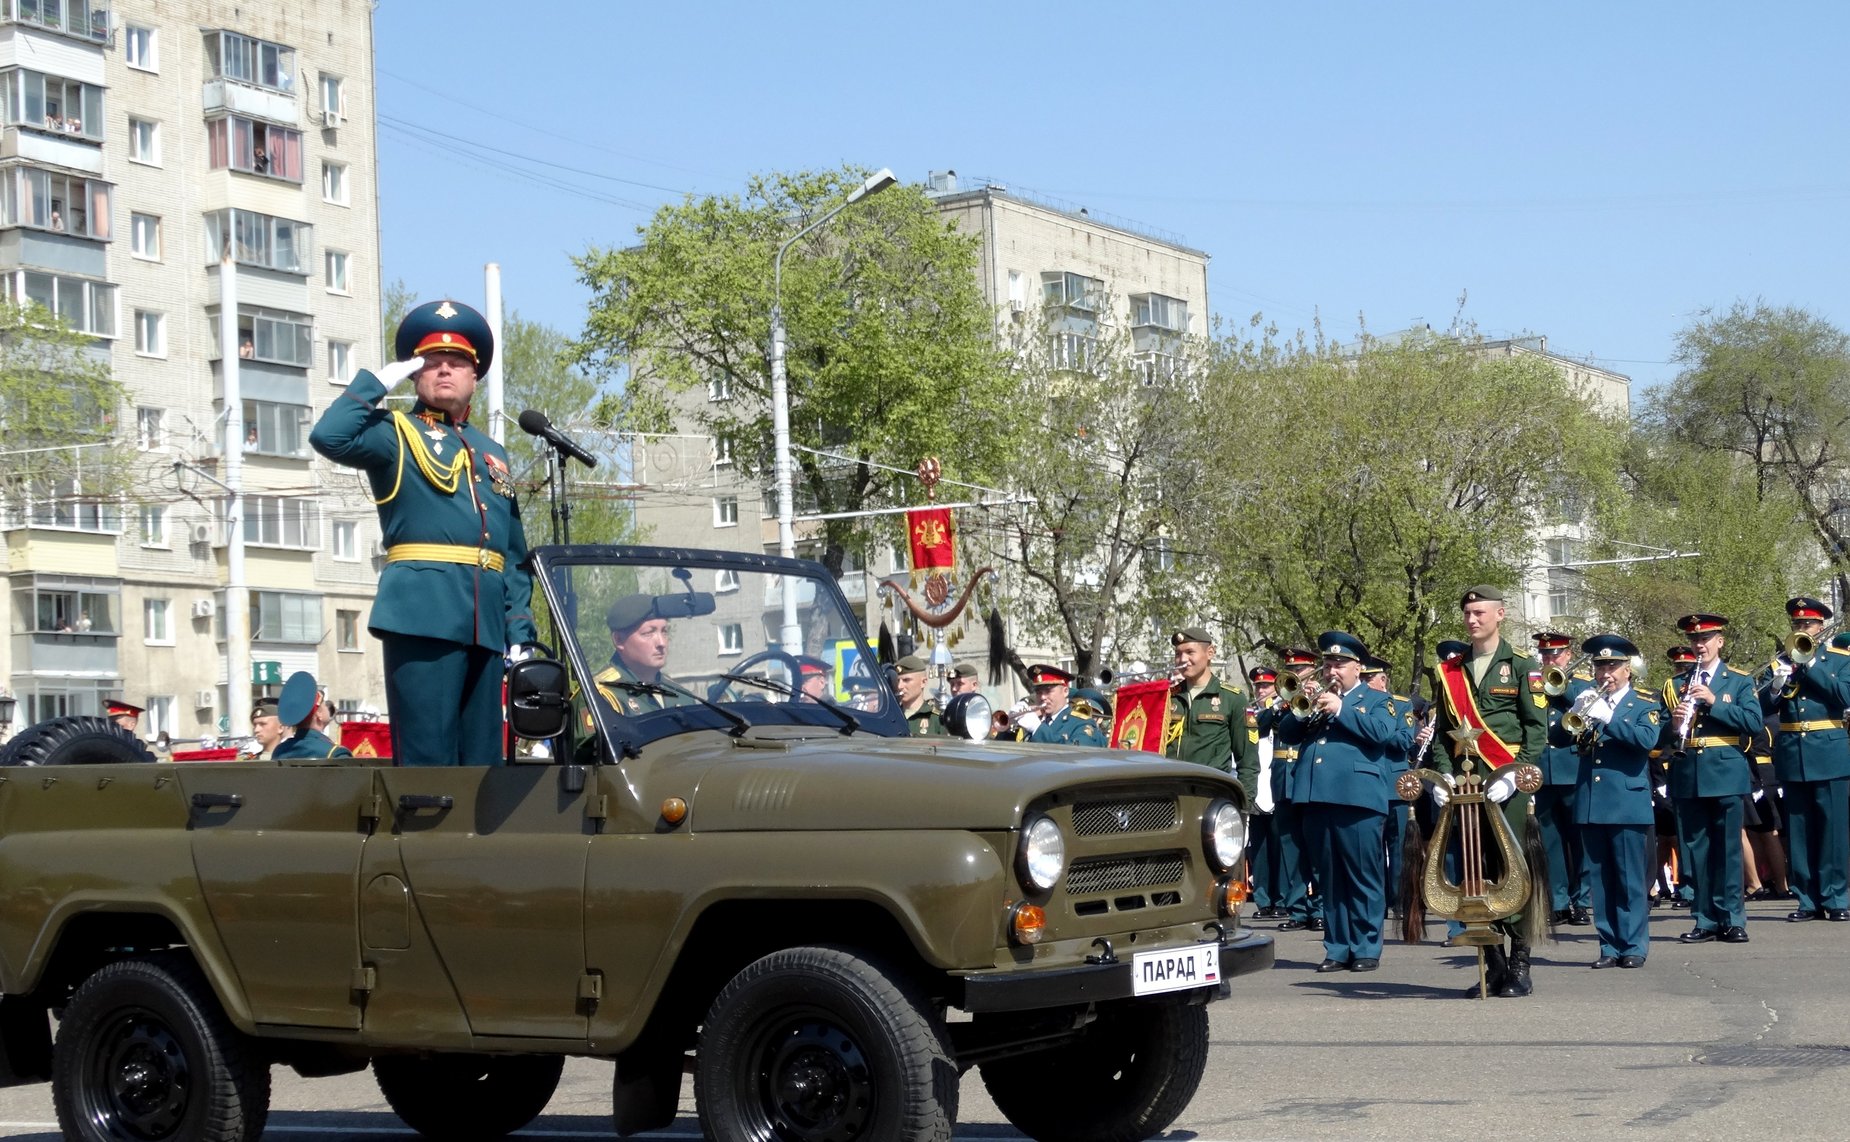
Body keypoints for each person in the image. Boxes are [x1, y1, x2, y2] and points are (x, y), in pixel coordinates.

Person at [310, 299, 536, 766]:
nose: (445, 371)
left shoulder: (491, 451)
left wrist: (520, 628)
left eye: (457, 363)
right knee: (427, 763)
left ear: (476, 377)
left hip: (487, 623)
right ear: (415, 375)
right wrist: (378, 381)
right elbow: (329, 436)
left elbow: (511, 552)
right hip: (424, 613)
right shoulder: (394, 432)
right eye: (431, 364)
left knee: (483, 764)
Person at [1430, 584, 1548, 997]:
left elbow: (1536, 729)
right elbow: (1444, 736)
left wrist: (1518, 774)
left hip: (1505, 780)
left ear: (1501, 615)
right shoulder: (1450, 671)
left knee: (1512, 866)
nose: (1472, 619)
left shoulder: (1521, 665)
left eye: (1480, 612)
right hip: (1465, 783)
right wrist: (1443, 776)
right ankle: (1492, 965)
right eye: (1467, 613)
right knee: (1472, 871)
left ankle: (1520, 962)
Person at [1277, 631, 1399, 972]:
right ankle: (1337, 947)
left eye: (1340, 664)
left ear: (1357, 668)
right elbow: (1287, 733)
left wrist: (1342, 709)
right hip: (1317, 798)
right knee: (1328, 878)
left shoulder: (1376, 699)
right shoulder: (1319, 701)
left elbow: (1382, 734)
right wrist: (1303, 708)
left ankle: (1365, 948)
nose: (1332, 670)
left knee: (1362, 876)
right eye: (1328, 663)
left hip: (1357, 799)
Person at [1665, 613, 1759, 945]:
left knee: (1728, 850)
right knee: (1696, 853)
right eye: (1694, 640)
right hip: (1689, 773)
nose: (1699, 645)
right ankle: (1704, 918)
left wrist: (1714, 702)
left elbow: (1753, 722)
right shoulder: (1676, 684)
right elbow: (1661, 733)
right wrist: (1673, 726)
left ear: (1720, 641)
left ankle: (1733, 919)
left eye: (1705, 639)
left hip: (1726, 773)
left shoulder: (1738, 680)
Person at [1570, 634, 1661, 968]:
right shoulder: (1590, 700)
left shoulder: (1644, 704)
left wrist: (1608, 717)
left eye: (1612, 665)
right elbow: (1559, 737)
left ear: (1627, 670)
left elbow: (1646, 740)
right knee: (1601, 882)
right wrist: (1576, 711)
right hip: (1593, 804)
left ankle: (1634, 945)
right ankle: (1609, 946)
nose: (1605, 671)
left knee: (1629, 879)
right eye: (1600, 665)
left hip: (1626, 804)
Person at [1760, 596, 1850, 923]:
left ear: (1820, 627)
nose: (1802, 628)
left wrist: (1810, 666)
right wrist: (1776, 685)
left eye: (1807, 624)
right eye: (1797, 624)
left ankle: (1836, 896)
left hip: (1829, 751)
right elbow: (1760, 709)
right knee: (1798, 831)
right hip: (1793, 754)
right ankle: (1807, 899)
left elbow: (1844, 697)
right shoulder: (1780, 661)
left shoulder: (1839, 660)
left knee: (1833, 829)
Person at [1259, 647, 1322, 932]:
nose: (1296, 675)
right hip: (1283, 779)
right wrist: (1277, 704)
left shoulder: (1320, 697)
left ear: (1311, 670)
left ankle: (1320, 907)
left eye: (1300, 671)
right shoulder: (1283, 705)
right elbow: (1259, 726)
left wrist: (1315, 697)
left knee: (1317, 847)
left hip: (1309, 778)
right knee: (1291, 848)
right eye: (1291, 672)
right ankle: (1297, 910)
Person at [1534, 630, 1594, 926]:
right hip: (1543, 771)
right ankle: (1558, 901)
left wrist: (1560, 686)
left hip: (1572, 768)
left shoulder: (1581, 683)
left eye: (1555, 654)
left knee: (1579, 838)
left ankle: (1581, 900)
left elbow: (1586, 709)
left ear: (1568, 655)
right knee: (1550, 842)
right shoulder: (1533, 683)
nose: (1549, 659)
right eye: (1545, 654)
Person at [1362, 655, 1419, 920]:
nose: (1363, 684)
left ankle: (1400, 901)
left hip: (1394, 785)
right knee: (1371, 849)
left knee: (1398, 849)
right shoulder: (1356, 705)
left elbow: (1404, 740)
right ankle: (1377, 902)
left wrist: (1375, 732)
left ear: (1382, 680)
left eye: (1367, 679)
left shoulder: (1401, 704)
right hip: (1368, 784)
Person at [1164, 627, 1255, 787]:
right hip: (1171, 792)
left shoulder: (1232, 699)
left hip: (1211, 793)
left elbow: (1248, 763)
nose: (1182, 659)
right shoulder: (1168, 699)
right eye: (1178, 654)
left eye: (1190, 652)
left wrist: (1243, 805)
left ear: (1210, 653)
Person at [592, 594, 691, 717]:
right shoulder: (601, 696)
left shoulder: (680, 695)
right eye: (648, 633)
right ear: (619, 640)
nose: (661, 643)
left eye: (664, 631)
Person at [1245, 666, 1289, 918]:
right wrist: (1272, 707)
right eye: (1258, 687)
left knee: (1280, 845)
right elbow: (1256, 727)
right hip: (1257, 786)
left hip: (1278, 785)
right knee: (1259, 848)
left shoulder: (1287, 708)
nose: (1261, 690)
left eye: (1266, 686)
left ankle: (1282, 899)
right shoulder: (1252, 712)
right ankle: (1264, 900)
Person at [272, 672, 353, 761]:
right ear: (319, 714)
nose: (327, 706)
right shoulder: (336, 754)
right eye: (323, 702)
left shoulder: (279, 752)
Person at [1026, 665, 1106, 746]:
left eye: (1048, 691)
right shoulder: (1038, 719)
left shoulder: (1082, 723)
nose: (1042, 697)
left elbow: (1074, 753)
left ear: (1065, 692)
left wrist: (1037, 728)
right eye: (1038, 692)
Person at [890, 655, 946, 736]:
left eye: (906, 680)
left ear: (923, 682)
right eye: (897, 681)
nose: (899, 686)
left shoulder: (936, 718)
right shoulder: (892, 717)